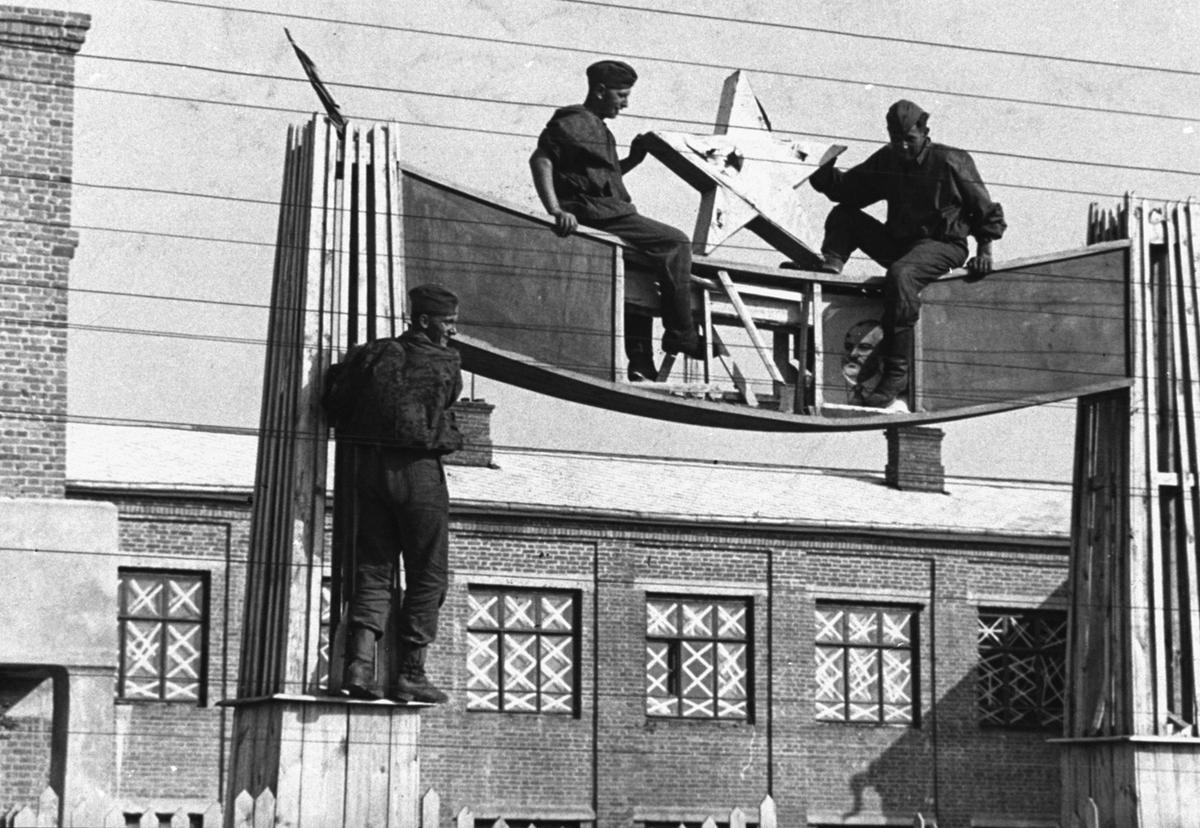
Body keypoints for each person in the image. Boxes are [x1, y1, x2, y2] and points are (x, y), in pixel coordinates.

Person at [809, 99, 1006, 409]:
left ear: (925, 132)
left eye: (909, 140)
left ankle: (896, 372)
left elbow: (985, 208)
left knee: (902, 275)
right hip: (901, 245)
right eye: (895, 139)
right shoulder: (889, 159)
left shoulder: (952, 160)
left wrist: (984, 250)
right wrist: (824, 175)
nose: (902, 146)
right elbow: (851, 191)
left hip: (943, 246)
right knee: (845, 215)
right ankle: (829, 266)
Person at [322, 283, 464, 704]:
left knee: (374, 569)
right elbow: (447, 401)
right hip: (418, 471)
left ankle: (359, 668)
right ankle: (410, 673)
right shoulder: (447, 360)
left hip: (368, 473)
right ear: (424, 320)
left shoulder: (373, 354)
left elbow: (336, 402)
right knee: (429, 574)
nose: (453, 331)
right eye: (448, 322)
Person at [529, 59, 704, 382]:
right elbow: (541, 159)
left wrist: (634, 160)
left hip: (605, 210)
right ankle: (681, 334)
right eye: (621, 95)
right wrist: (555, 210)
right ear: (599, 91)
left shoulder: (594, 126)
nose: (625, 103)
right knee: (675, 242)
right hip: (596, 213)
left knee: (638, 271)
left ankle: (641, 360)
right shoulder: (577, 121)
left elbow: (598, 179)